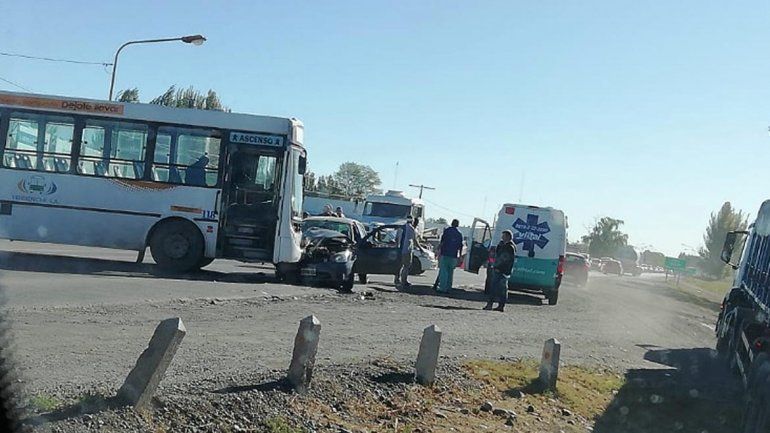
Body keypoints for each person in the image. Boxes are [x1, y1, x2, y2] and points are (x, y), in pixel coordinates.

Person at [484, 230, 516, 312]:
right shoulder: (501, 245)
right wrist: (494, 265)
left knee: (502, 289)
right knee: (493, 288)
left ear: (508, 237)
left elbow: (507, 260)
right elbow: (497, 256)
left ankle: (501, 306)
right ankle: (490, 304)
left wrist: (501, 269)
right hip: (497, 269)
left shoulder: (510, 247)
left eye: (504, 235)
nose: (502, 237)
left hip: (503, 271)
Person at [434, 219, 463, 293]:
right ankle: (448, 287)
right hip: (454, 255)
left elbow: (442, 242)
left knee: (443, 271)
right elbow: (460, 246)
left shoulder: (447, 231)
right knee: (450, 272)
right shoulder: (459, 234)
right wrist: (460, 256)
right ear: (457, 225)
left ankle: (442, 287)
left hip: (445, 253)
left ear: (451, 223)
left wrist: (438, 250)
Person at [395, 217, 421, 290]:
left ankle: (397, 279)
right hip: (407, 250)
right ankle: (404, 281)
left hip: (399, 250)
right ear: (412, 221)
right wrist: (421, 248)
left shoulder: (400, 228)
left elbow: (396, 239)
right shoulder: (411, 229)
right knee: (406, 266)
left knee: (399, 266)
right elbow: (415, 240)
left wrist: (396, 247)